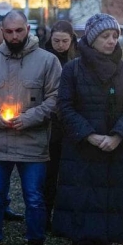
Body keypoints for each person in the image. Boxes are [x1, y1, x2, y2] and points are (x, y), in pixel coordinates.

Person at [54, 14, 123, 245]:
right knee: (85, 205)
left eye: (115, 36)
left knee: (109, 207)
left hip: (115, 151)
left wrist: (117, 136)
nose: (111, 41)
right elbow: (65, 107)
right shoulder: (72, 69)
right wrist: (89, 135)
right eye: (105, 36)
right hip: (83, 150)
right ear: (92, 39)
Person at [0, 10, 61, 245]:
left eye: (19, 31)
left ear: (28, 29)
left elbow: (56, 98)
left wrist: (32, 117)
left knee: (34, 199)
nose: (14, 36)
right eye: (9, 31)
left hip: (31, 142)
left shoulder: (48, 61)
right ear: (1, 31)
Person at [44, 20, 78, 228]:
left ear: (71, 40)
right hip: (51, 122)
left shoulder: (78, 58)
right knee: (49, 174)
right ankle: (46, 215)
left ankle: (64, 219)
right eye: (56, 40)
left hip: (70, 121)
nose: (60, 45)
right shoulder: (45, 57)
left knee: (69, 175)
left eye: (65, 41)